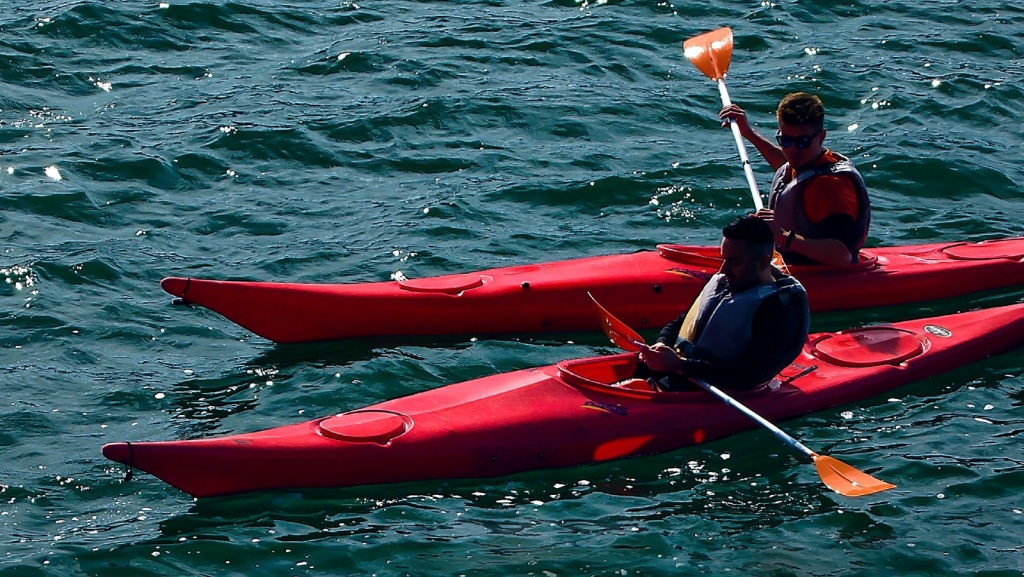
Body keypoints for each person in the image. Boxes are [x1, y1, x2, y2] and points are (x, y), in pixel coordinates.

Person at [635, 216, 809, 391]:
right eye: (723, 259)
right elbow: (681, 322)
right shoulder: (725, 283)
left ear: (763, 262)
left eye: (734, 262)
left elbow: (749, 375)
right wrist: (662, 343)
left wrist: (680, 365)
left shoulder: (779, 309)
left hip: (716, 389)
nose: (723, 270)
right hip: (682, 374)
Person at [720, 92, 870, 266]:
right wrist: (748, 133)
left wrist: (783, 237)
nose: (792, 150)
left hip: (825, 275)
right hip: (793, 266)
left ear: (821, 137)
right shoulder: (805, 163)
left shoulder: (830, 187)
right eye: (785, 140)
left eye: (802, 142)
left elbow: (843, 255)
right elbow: (788, 171)